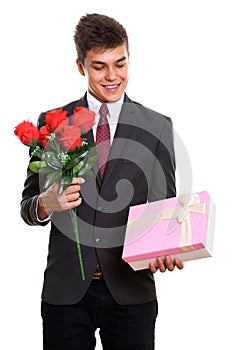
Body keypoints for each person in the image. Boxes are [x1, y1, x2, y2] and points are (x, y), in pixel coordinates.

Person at [21, 13, 184, 350]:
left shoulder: (157, 127)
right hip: (66, 293)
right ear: (81, 66)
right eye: (99, 66)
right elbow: (27, 208)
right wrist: (45, 205)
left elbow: (164, 210)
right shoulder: (53, 124)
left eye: (120, 63)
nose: (113, 76)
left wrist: (164, 248)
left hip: (131, 294)